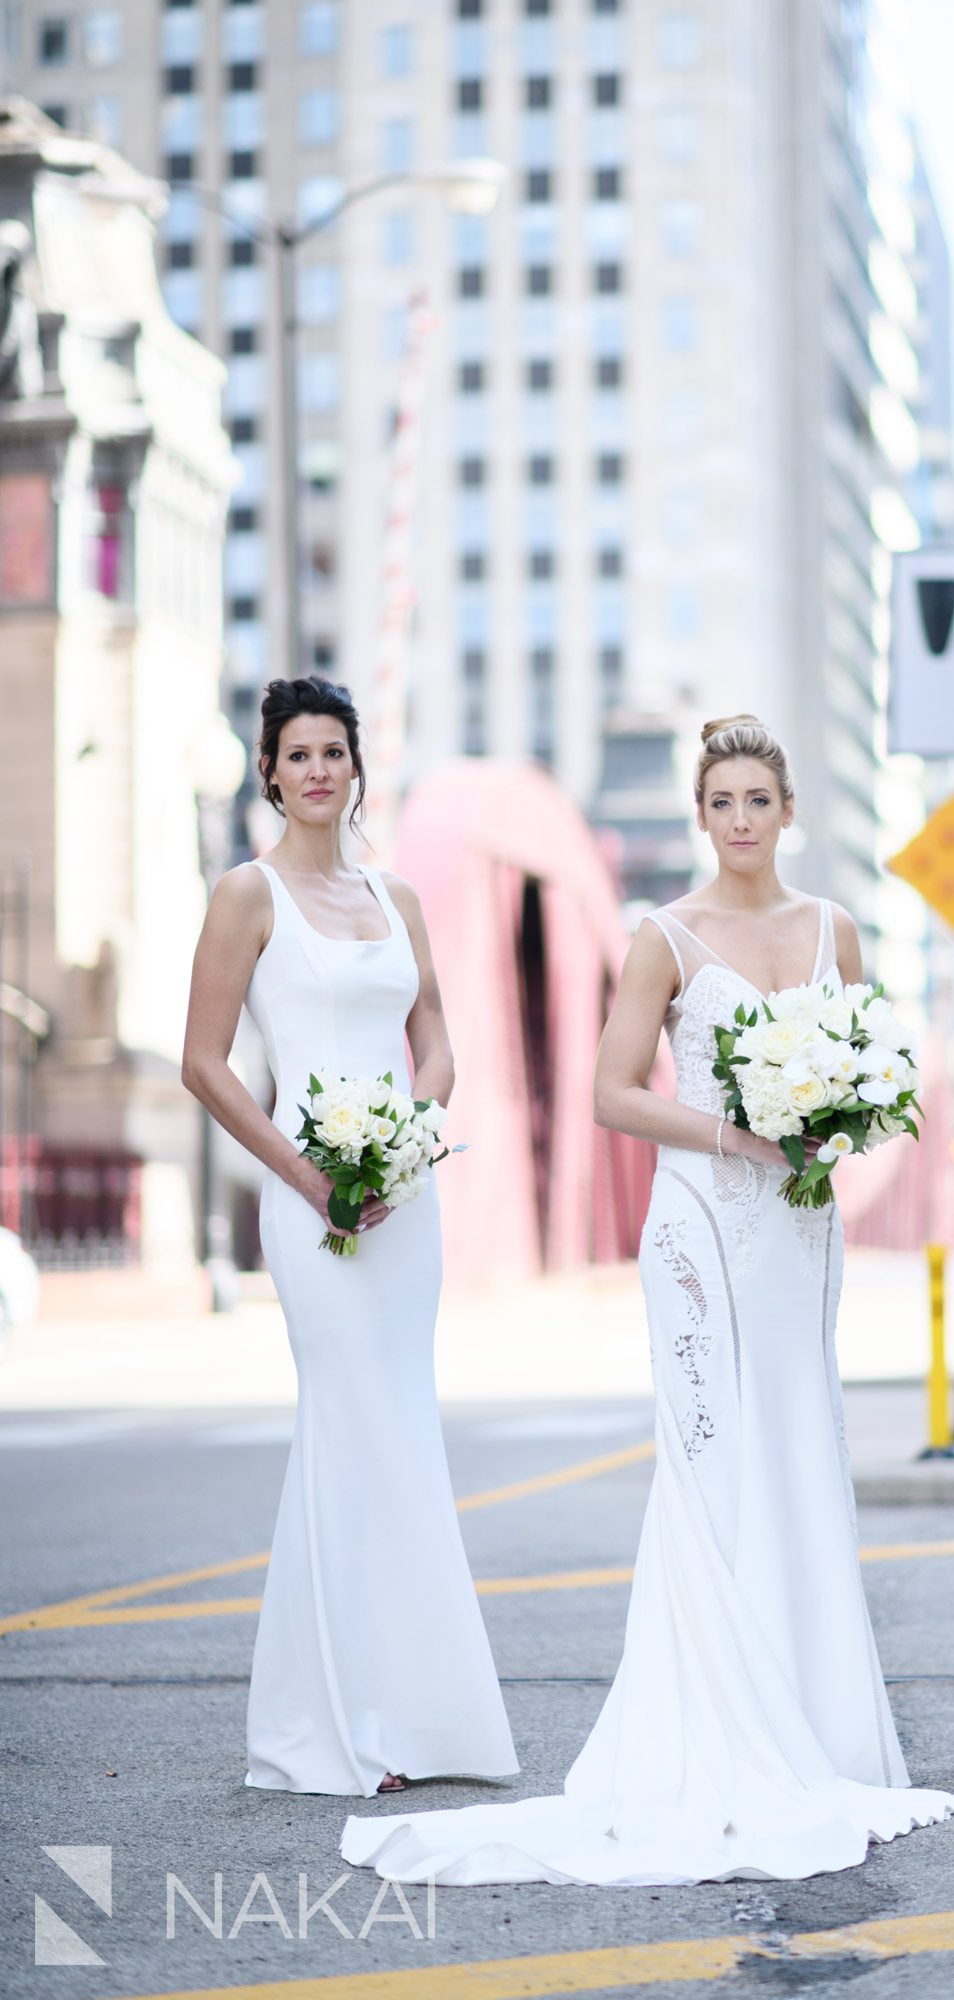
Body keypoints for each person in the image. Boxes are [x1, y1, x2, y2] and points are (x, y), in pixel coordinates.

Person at [341, 714, 954, 1885]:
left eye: (757, 801)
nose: (739, 820)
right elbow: (613, 1094)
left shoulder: (838, 928)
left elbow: (872, 1071)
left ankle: (818, 1727)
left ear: (788, 812)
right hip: (703, 1230)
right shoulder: (664, 935)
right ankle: (717, 1720)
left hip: (799, 1227)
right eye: (719, 801)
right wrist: (742, 1132)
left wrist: (834, 1127)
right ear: (700, 814)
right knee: (712, 1458)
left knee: (798, 1444)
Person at [181, 676, 516, 1799]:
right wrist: (311, 1173)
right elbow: (206, 1062)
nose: (318, 769)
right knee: (347, 1423)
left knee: (402, 1430)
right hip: (306, 1195)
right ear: (268, 769)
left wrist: (406, 1147)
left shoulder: (396, 897)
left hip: (402, 1198)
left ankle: (427, 1719)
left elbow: (439, 1049)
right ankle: (329, 1727)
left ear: (356, 768)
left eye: (335, 751)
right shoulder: (247, 893)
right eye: (297, 753)